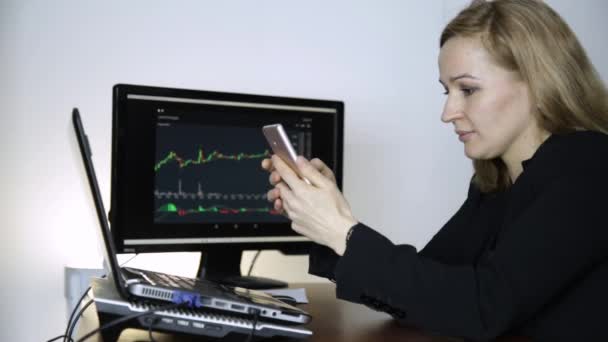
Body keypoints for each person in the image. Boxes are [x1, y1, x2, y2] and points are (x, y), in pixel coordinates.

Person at [261, 0, 608, 340]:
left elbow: (483, 307)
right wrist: (328, 223)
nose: (448, 112)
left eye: (467, 89)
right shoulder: (496, 182)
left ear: (538, 82)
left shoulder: (590, 166)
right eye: (447, 91)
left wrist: (343, 231)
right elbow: (427, 290)